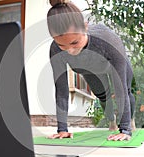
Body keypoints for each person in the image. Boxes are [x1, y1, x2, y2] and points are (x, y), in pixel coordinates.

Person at [47, 0, 135, 141]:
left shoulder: (108, 41)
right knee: (102, 95)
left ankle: (129, 123)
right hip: (90, 70)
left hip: (114, 62)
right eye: (62, 45)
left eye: (75, 42)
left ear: (85, 28)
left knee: (127, 90)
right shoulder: (55, 50)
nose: (70, 50)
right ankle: (111, 123)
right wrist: (62, 129)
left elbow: (121, 89)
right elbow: (62, 90)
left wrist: (125, 130)